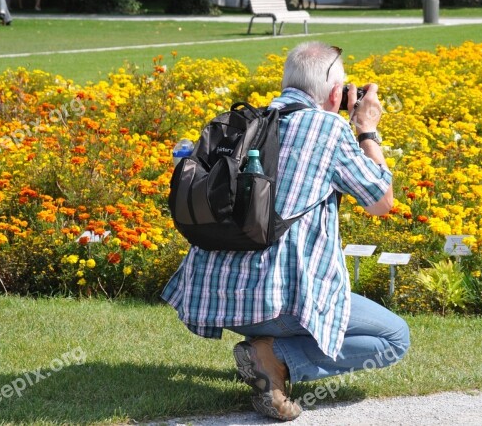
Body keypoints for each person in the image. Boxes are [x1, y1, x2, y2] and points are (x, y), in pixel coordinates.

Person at [162, 41, 410, 421]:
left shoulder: (246, 122)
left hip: (212, 302)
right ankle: (276, 357)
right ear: (335, 94)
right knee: (394, 338)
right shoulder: (328, 128)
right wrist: (367, 129)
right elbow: (381, 202)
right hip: (277, 306)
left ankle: (264, 349)